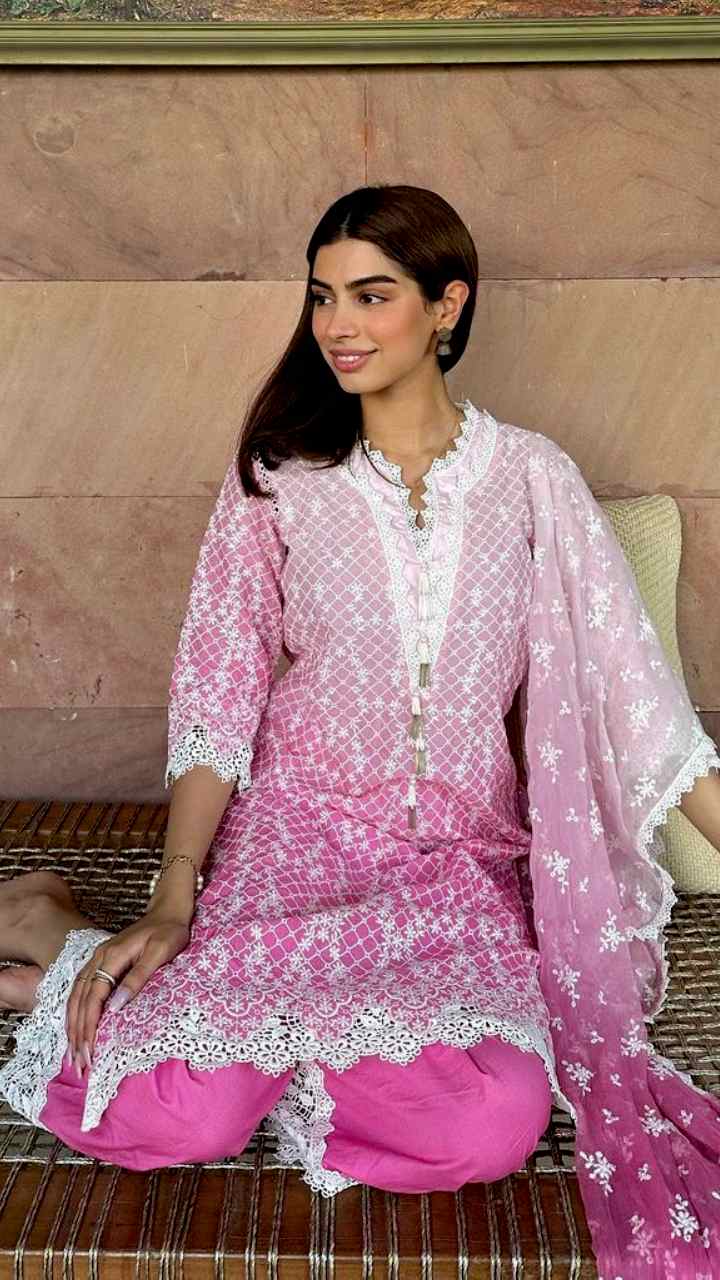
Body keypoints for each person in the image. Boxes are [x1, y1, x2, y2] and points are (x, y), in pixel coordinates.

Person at [2, 183, 720, 1278]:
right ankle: (59, 934)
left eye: (371, 295)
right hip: (297, 846)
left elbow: (640, 702)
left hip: (457, 873)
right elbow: (217, 694)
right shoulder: (280, 479)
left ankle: (96, 974)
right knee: (178, 1116)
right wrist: (175, 893)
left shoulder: (532, 478)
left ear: (447, 306)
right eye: (323, 295)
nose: (337, 324)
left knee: (491, 1121)